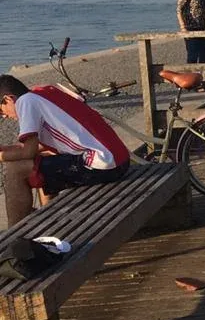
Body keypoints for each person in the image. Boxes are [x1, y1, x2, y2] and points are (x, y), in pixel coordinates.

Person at [0, 74, 131, 224]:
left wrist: (3, 157)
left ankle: (15, 233)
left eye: (1, 111)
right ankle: (49, 219)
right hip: (118, 159)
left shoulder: (25, 102)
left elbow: (28, 152)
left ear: (8, 99)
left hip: (103, 164)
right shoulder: (42, 93)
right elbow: (40, 146)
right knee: (43, 161)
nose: (4, 116)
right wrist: (6, 149)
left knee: (16, 170)